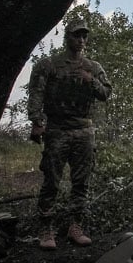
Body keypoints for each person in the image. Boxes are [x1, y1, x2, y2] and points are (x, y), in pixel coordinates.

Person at [27, 20, 112, 250]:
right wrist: (37, 121)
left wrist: (91, 80)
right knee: (51, 180)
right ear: (67, 38)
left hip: (83, 129)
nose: (81, 40)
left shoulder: (94, 67)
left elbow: (105, 93)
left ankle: (76, 225)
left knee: (81, 181)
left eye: (84, 36)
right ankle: (46, 229)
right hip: (57, 128)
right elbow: (36, 92)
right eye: (77, 36)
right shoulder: (49, 65)